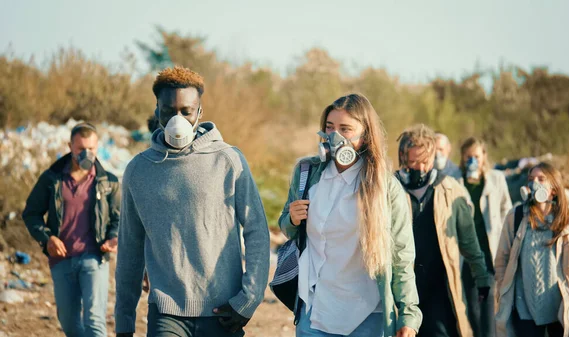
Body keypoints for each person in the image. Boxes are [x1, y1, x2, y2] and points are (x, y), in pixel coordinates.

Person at [114, 66, 270, 337]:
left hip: (223, 312)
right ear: (157, 111)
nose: (178, 119)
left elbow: (257, 230)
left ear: (199, 112)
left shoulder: (228, 160)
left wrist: (248, 300)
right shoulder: (139, 170)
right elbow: (130, 247)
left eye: (186, 111)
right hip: (166, 312)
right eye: (168, 110)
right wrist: (124, 323)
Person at [279, 94, 421, 337]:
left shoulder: (386, 187)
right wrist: (291, 219)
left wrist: (408, 314)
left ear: (364, 135)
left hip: (366, 315)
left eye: (345, 129)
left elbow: (401, 255)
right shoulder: (307, 172)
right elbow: (289, 228)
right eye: (330, 127)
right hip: (315, 311)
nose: (335, 136)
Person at [22, 122, 120, 337]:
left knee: (95, 322)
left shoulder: (108, 182)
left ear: (97, 147)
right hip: (62, 259)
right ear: (70, 146)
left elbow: (118, 218)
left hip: (94, 259)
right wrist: (47, 238)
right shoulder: (52, 179)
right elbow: (31, 213)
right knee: (69, 325)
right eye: (81, 149)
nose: (87, 153)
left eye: (91, 149)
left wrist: (113, 237)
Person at [395, 124, 492, 337]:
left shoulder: (450, 190)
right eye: (413, 162)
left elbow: (469, 241)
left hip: (441, 288)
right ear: (402, 158)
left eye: (425, 162)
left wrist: (481, 277)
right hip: (402, 289)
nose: (419, 168)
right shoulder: (391, 189)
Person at [495, 162, 569, 337]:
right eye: (531, 179)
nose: (534, 183)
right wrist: (503, 290)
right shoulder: (515, 217)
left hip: (559, 311)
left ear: (554, 189)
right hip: (524, 310)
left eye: (541, 179)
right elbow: (502, 259)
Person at [458, 137, 512, 337]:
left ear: (484, 157)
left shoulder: (496, 178)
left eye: (476, 156)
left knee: (487, 306)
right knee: (472, 309)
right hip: (466, 255)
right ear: (462, 158)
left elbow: (506, 207)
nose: (473, 160)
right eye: (468, 157)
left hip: (488, 253)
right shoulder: (456, 181)